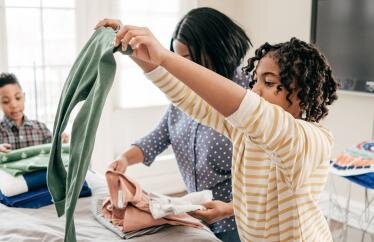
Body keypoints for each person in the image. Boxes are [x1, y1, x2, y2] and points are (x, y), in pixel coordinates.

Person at [111, 25, 339, 241]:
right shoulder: (246, 133)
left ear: (303, 92)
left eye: (268, 83)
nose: (256, 91)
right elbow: (189, 99)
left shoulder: (313, 139)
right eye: (255, 81)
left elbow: (255, 112)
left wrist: (166, 57)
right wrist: (136, 52)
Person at [96, 7, 252, 242]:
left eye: (186, 58)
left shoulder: (247, 96)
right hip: (200, 217)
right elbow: (160, 136)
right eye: (175, 56)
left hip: (238, 221)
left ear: (214, 50)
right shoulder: (186, 93)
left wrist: (229, 208)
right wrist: (125, 159)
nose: (179, 65)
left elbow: (267, 181)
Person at [0, 73, 68, 153]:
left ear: (24, 97)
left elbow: (55, 149)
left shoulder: (41, 128)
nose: (14, 105)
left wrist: (62, 140)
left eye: (18, 98)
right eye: (6, 101)